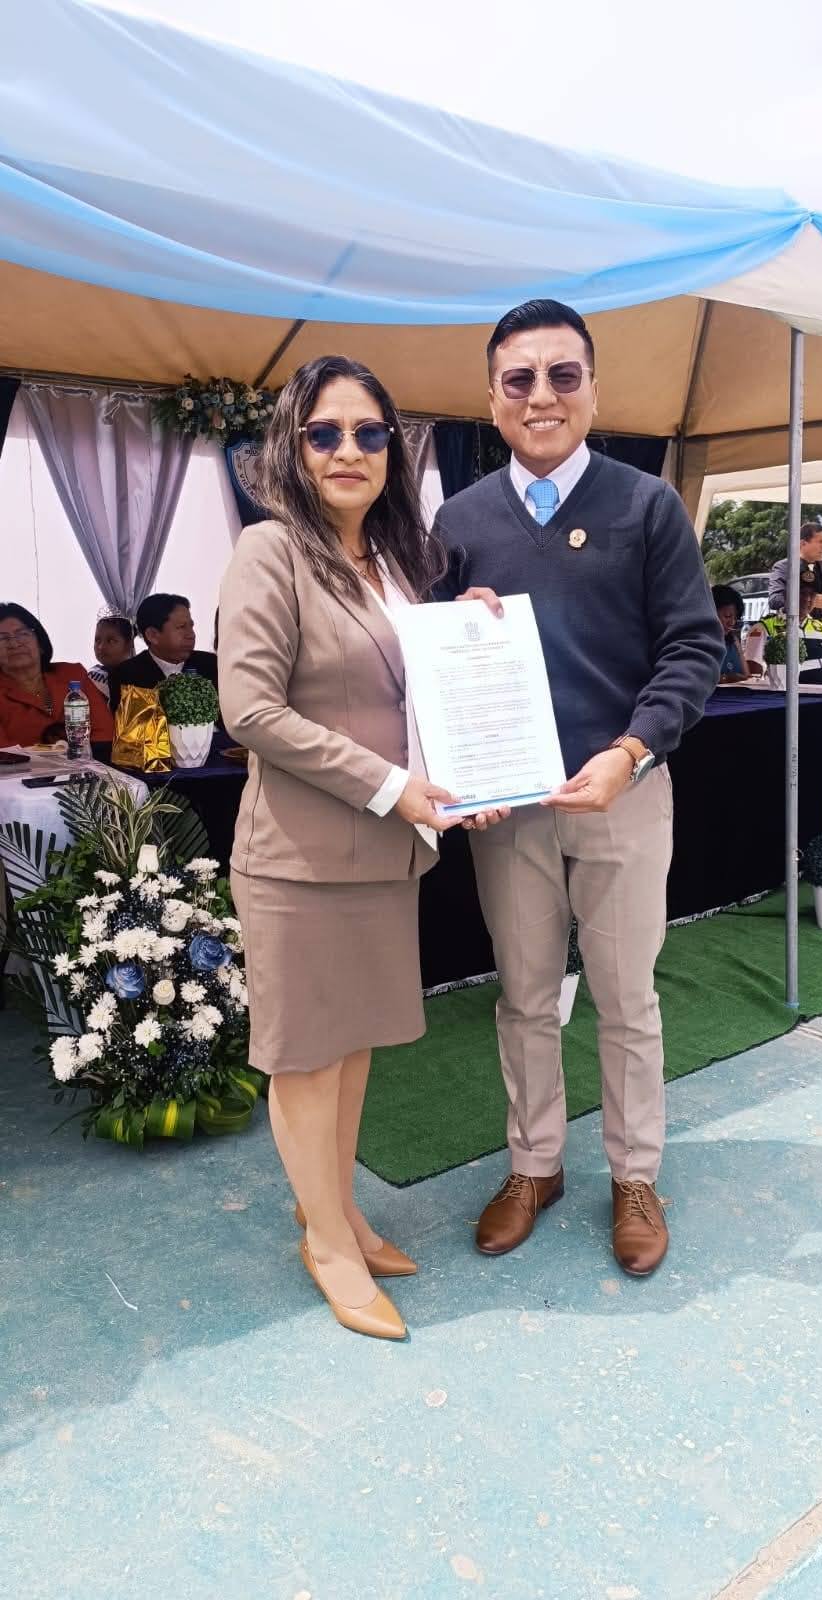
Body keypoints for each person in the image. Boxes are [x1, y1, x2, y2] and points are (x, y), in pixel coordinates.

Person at [219, 355, 506, 1343]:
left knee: (350, 1054)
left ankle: (336, 1212)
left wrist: (461, 634)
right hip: (298, 864)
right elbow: (250, 709)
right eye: (325, 432)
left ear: (394, 449)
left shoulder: (393, 564)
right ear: (292, 447)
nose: (349, 449)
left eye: (370, 432)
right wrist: (392, 787)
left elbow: (398, 685)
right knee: (306, 1060)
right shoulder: (269, 551)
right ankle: (328, 1244)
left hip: (385, 859)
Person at [434, 299, 724, 1277]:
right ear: (492, 398)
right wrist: (456, 623)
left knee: (625, 998)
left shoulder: (647, 506)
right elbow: (427, 656)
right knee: (523, 997)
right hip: (508, 807)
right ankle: (535, 1166)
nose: (542, 396)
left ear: (594, 389)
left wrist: (631, 752)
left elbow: (693, 648)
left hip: (622, 793)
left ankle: (634, 1176)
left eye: (563, 375)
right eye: (519, 379)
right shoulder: (459, 521)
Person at [0, 602, 113, 746]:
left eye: (22, 634)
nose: (14, 644)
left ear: (40, 644)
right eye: (2, 638)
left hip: (90, 759)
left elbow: (104, 732)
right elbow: (4, 753)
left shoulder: (73, 674)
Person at [107, 593, 218, 713]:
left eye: (191, 626)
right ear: (152, 635)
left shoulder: (212, 665)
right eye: (181, 627)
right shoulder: (125, 676)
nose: (191, 635)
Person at [745, 583, 822, 687]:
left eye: (812, 595)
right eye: (801, 593)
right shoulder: (763, 627)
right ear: (786, 595)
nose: (807, 599)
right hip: (790, 698)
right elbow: (753, 670)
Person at [769, 522, 822, 621]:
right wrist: (810, 600)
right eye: (820, 542)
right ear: (803, 543)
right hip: (791, 627)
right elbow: (774, 600)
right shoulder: (784, 567)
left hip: (818, 629)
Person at [711, 584, 757, 682]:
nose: (732, 622)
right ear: (711, 613)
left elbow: (747, 676)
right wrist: (726, 678)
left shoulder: (734, 641)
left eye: (735, 618)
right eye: (727, 616)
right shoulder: (700, 642)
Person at [89, 614, 136, 700]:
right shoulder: (91, 673)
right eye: (97, 640)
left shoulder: (139, 680)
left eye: (111, 641)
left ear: (129, 644)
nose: (101, 647)